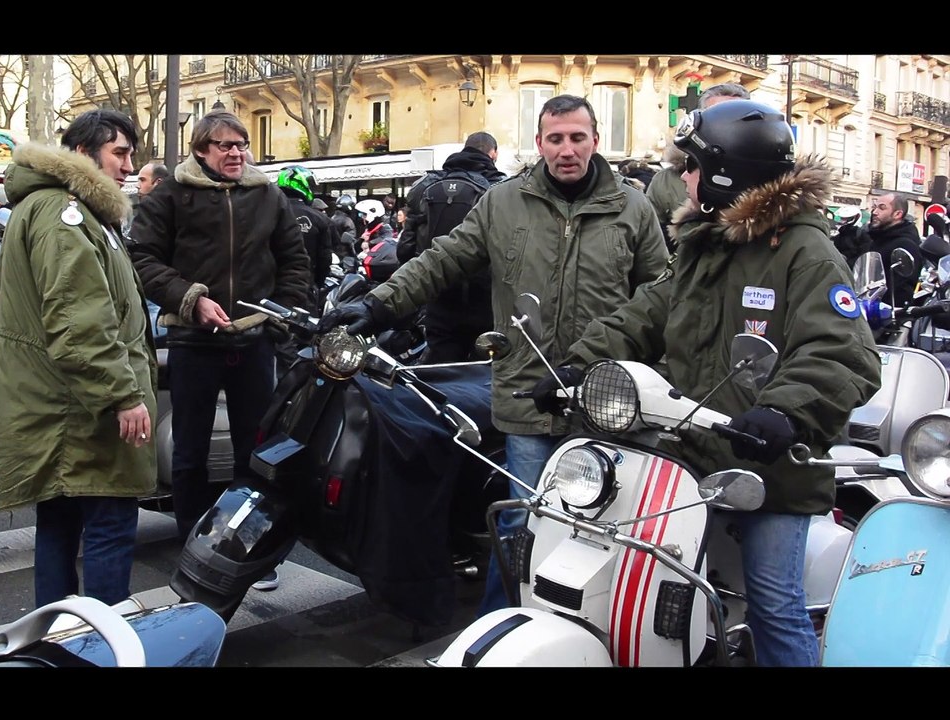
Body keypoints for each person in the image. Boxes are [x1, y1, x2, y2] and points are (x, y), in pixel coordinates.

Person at [530, 99, 882, 666]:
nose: (683, 177)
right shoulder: (705, 242)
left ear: (726, 174)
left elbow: (845, 352)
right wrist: (579, 364)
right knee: (652, 585)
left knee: (773, 602)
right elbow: (649, 311)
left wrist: (784, 411)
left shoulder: (804, 250)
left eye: (691, 166)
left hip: (773, 467)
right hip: (691, 457)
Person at [317, 94, 668, 616]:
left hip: (602, 399)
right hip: (528, 395)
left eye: (577, 137)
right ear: (539, 143)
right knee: (521, 521)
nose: (566, 149)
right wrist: (378, 305)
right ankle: (502, 628)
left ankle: (586, 631)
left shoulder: (632, 208)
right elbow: (442, 259)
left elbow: (660, 293)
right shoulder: (503, 201)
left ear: (595, 141)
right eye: (555, 138)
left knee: (600, 525)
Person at [0, 108, 158, 608]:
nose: (128, 166)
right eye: (119, 153)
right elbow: (80, 321)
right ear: (83, 153)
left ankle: (57, 640)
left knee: (59, 527)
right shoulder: (65, 213)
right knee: (108, 524)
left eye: (130, 155)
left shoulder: (59, 207)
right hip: (80, 414)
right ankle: (100, 645)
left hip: (64, 408)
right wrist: (124, 395)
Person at [128, 110, 311, 592]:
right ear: (201, 151)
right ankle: (193, 548)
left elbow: (294, 260)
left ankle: (251, 553)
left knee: (256, 454)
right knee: (189, 453)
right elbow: (142, 257)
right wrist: (191, 299)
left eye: (241, 144)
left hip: (253, 340)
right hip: (193, 341)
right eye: (224, 145)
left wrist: (279, 310)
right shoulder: (170, 195)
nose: (235, 152)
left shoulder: (268, 195)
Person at [399, 131, 507, 363]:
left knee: (440, 371)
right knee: (482, 377)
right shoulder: (500, 188)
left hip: (439, 299)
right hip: (485, 303)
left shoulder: (424, 186)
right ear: (493, 153)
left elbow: (405, 250)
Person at [647, 83, 750, 253]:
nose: (723, 129)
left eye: (733, 119)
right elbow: (653, 246)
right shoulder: (666, 180)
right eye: (715, 118)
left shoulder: (769, 180)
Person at [276, 165, 337, 302]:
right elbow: (325, 258)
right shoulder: (320, 219)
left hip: (269, 289)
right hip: (304, 288)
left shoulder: (265, 212)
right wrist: (317, 284)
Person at [861, 191, 922, 307]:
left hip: (886, 316)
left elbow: (902, 289)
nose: (874, 212)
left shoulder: (905, 244)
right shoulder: (876, 239)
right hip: (867, 307)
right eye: (874, 207)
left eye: (882, 208)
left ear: (897, 214)